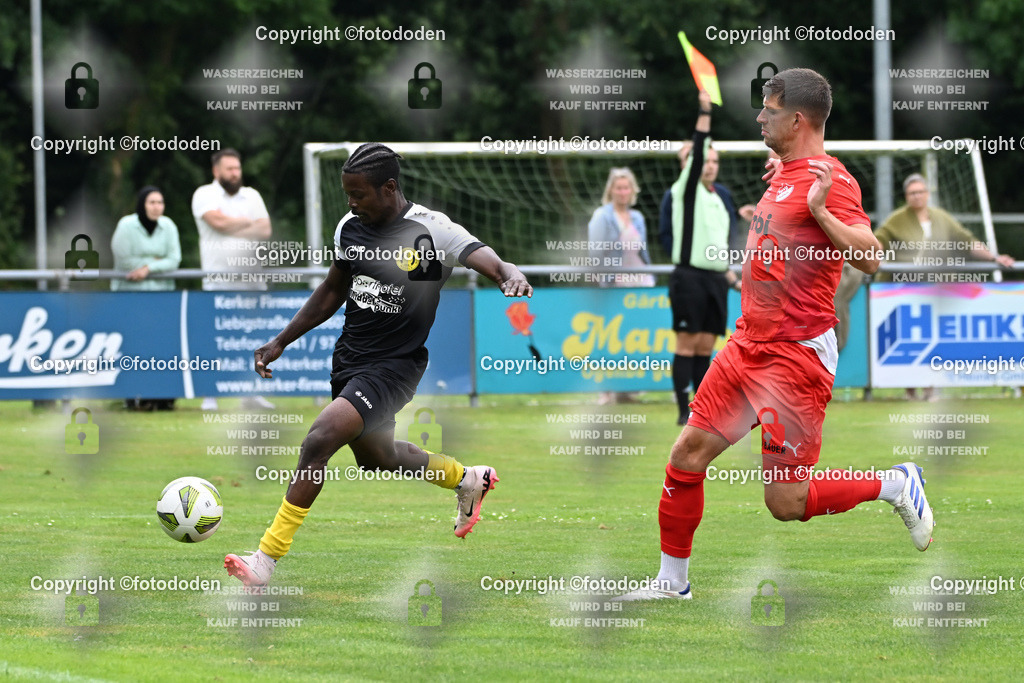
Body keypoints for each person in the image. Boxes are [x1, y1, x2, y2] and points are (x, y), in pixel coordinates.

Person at [619, 69, 934, 601]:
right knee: (686, 456)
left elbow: (871, 257)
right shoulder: (787, 168)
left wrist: (817, 211)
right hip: (747, 346)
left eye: (768, 108)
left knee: (785, 503)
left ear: (797, 119)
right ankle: (672, 585)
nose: (760, 116)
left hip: (794, 358)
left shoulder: (832, 181)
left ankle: (897, 484)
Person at [224, 143, 533, 587]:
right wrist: (280, 341)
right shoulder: (351, 227)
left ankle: (266, 559)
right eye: (348, 193)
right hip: (350, 360)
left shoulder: (431, 230)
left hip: (396, 366)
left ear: (389, 187)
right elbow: (333, 290)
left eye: (359, 194)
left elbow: (482, 255)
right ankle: (466, 479)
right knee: (379, 458)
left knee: (319, 439)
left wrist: (509, 275)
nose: (351, 203)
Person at [874, 173, 1014, 399]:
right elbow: (878, 240)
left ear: (928, 194)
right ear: (906, 196)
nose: (917, 196)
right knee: (910, 342)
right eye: (912, 193)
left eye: (920, 192)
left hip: (937, 291)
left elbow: (966, 240)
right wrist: (871, 255)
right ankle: (910, 388)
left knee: (933, 340)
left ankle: (930, 388)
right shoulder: (897, 220)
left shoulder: (942, 218)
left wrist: (993, 258)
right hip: (904, 294)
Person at [657, 90, 745, 425]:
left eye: (713, 160)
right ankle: (683, 412)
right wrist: (704, 111)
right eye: (702, 159)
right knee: (687, 344)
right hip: (689, 278)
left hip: (715, 280)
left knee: (707, 346)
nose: (709, 164)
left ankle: (701, 410)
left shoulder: (720, 197)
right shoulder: (685, 190)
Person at [192, 148, 274, 411]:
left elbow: (265, 229)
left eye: (237, 168)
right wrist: (246, 222)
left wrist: (234, 223)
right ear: (216, 171)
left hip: (252, 279)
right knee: (217, 338)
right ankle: (210, 395)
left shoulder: (251, 195)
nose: (235, 173)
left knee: (252, 338)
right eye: (229, 169)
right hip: (219, 278)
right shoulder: (204, 194)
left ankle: (251, 393)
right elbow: (217, 223)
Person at [111, 185, 182, 411]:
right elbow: (123, 259)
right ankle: (131, 395)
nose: (156, 207)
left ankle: (161, 396)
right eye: (152, 202)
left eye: (160, 202)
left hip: (161, 298)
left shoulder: (168, 226)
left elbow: (174, 259)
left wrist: (147, 267)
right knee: (132, 347)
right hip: (130, 297)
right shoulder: (126, 226)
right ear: (142, 204)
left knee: (160, 347)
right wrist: (156, 261)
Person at [588, 167, 653, 404]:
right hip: (612, 283)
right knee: (609, 336)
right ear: (611, 190)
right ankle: (605, 389)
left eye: (626, 187)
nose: (623, 192)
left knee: (634, 336)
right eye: (619, 187)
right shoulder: (601, 216)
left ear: (632, 190)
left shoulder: (638, 218)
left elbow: (643, 252)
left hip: (639, 281)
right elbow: (594, 252)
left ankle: (629, 388)